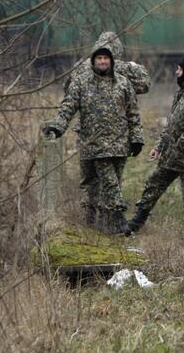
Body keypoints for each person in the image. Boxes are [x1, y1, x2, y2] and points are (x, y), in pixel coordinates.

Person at [42, 47, 144, 234]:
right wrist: (57, 127)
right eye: (99, 58)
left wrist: (137, 138)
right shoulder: (81, 83)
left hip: (119, 143)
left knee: (112, 183)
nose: (103, 62)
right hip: (92, 143)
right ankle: (95, 221)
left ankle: (110, 223)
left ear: (111, 61)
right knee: (93, 182)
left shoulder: (123, 83)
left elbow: (133, 113)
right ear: (93, 61)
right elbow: (68, 107)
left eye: (106, 58)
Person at [62, 32, 150, 229]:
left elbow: (67, 90)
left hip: (89, 133)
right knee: (112, 180)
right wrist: (135, 67)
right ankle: (111, 219)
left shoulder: (81, 66)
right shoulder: (124, 68)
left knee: (91, 180)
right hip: (113, 134)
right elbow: (144, 86)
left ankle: (92, 220)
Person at [127, 59, 184, 246]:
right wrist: (159, 147)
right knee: (154, 183)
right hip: (171, 156)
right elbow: (172, 125)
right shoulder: (182, 93)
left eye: (179, 69)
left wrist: (180, 145)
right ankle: (137, 221)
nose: (176, 72)